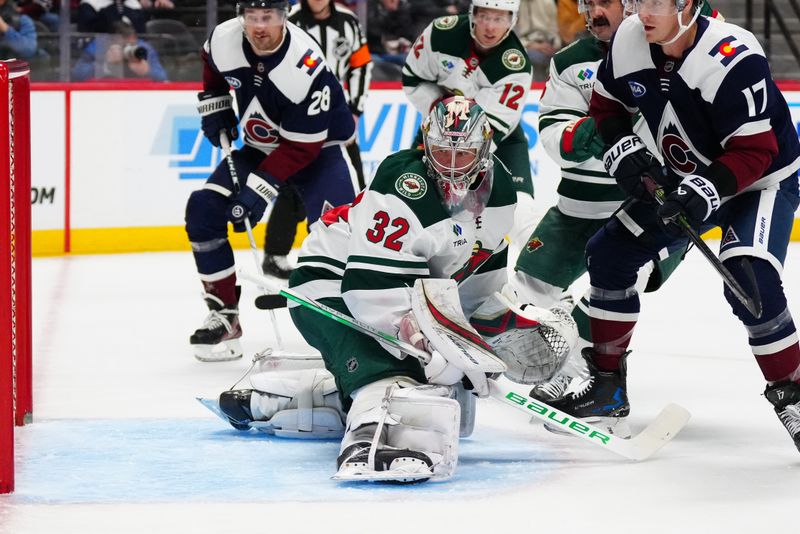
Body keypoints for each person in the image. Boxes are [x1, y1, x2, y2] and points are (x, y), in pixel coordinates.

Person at [213, 97, 575, 482]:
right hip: (330, 285)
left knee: (436, 385)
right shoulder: (404, 184)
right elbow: (370, 290)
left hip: (394, 293)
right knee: (395, 373)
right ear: (425, 144)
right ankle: (372, 443)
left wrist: (489, 343)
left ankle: (276, 399)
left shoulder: (500, 191)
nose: (451, 165)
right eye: (441, 151)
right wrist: (428, 345)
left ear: (485, 147)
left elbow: (476, 288)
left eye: (464, 153)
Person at [551, 0, 800, 452]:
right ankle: (608, 390)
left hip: (759, 182)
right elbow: (607, 105)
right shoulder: (630, 39)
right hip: (686, 175)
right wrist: (622, 148)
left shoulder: (732, 56)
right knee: (609, 254)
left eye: (656, 3)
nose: (642, 12)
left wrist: (702, 189)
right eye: (638, 1)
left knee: (750, 277)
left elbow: (756, 151)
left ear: (687, 6)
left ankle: (794, 396)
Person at [512, 0, 719, 405]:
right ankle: (504, 359)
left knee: (619, 283)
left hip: (651, 208)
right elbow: (553, 126)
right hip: (578, 207)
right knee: (528, 288)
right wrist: (582, 133)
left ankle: (572, 373)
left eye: (604, 2)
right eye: (588, 4)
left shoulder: (669, 51)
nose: (594, 12)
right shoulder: (571, 61)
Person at [184, 0, 358, 362]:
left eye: (269, 17)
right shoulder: (224, 39)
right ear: (241, 17)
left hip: (319, 150)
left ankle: (352, 321)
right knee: (203, 210)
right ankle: (225, 315)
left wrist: (257, 190)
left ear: (284, 17)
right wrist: (215, 105)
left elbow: (301, 149)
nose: (259, 26)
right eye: (252, 17)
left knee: (342, 233)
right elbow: (212, 67)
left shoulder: (303, 63)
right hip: (262, 146)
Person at [401, 0, 536, 257]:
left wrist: (458, 170)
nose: (489, 27)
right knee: (413, 195)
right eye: (485, 16)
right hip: (438, 132)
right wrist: (439, 110)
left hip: (499, 140)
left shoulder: (515, 66)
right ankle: (408, 262)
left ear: (512, 20)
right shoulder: (441, 33)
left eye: (499, 19)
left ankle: (541, 279)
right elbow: (412, 78)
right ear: (473, 13)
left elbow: (489, 130)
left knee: (522, 208)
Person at [260, 0, 373, 279]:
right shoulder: (291, 19)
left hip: (337, 118)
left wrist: (355, 108)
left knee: (354, 181)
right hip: (297, 121)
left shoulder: (349, 21)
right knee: (292, 187)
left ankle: (352, 252)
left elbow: (361, 64)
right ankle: (275, 254)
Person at [71, 21, 168, 81]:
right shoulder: (97, 47)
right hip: (104, 91)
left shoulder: (143, 49)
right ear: (111, 41)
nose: (129, 48)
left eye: (132, 44)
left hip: (135, 90)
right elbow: (77, 75)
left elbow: (163, 76)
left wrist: (148, 71)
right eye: (125, 45)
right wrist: (104, 65)